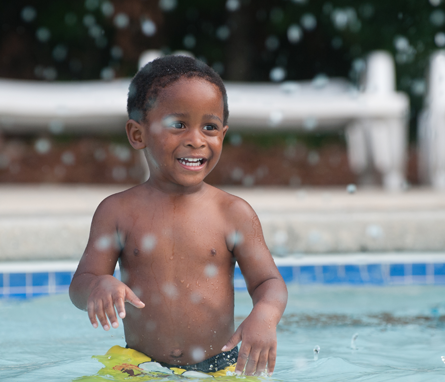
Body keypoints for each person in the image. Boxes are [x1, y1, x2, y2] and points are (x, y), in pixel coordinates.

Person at [69, 55, 288, 377]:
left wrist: (265, 315)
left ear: (223, 135)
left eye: (209, 127)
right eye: (178, 125)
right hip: (138, 365)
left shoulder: (232, 213)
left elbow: (269, 282)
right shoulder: (117, 212)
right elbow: (79, 285)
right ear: (137, 134)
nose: (196, 140)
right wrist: (99, 285)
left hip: (219, 365)